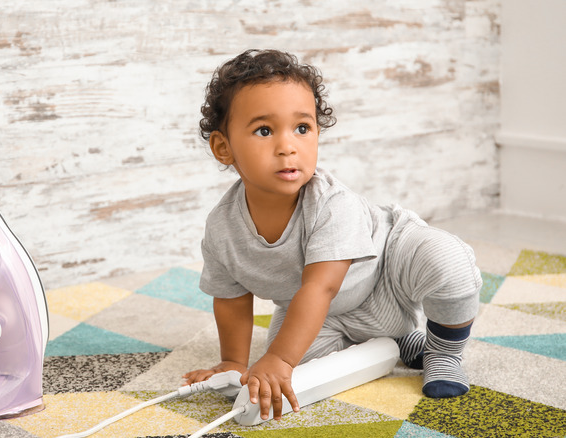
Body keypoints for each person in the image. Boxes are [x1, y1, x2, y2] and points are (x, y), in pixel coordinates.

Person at [182, 49, 482, 421]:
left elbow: (320, 287)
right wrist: (233, 362)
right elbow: (231, 299)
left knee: (447, 261)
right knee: (295, 374)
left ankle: (442, 352)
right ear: (223, 148)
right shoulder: (222, 228)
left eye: (302, 128)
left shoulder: (331, 204)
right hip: (323, 314)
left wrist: (278, 357)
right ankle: (396, 340)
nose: (287, 146)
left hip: (386, 271)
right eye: (264, 130)